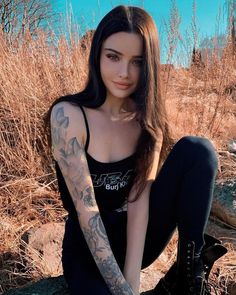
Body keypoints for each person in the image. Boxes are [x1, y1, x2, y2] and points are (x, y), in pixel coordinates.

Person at [45, 5, 227, 295]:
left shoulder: (148, 122)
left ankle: (189, 279)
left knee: (199, 151)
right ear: (97, 55)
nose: (124, 73)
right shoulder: (68, 116)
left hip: (136, 240)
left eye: (138, 61)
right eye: (113, 56)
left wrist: (132, 278)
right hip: (88, 249)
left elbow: (139, 203)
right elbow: (87, 212)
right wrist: (120, 289)